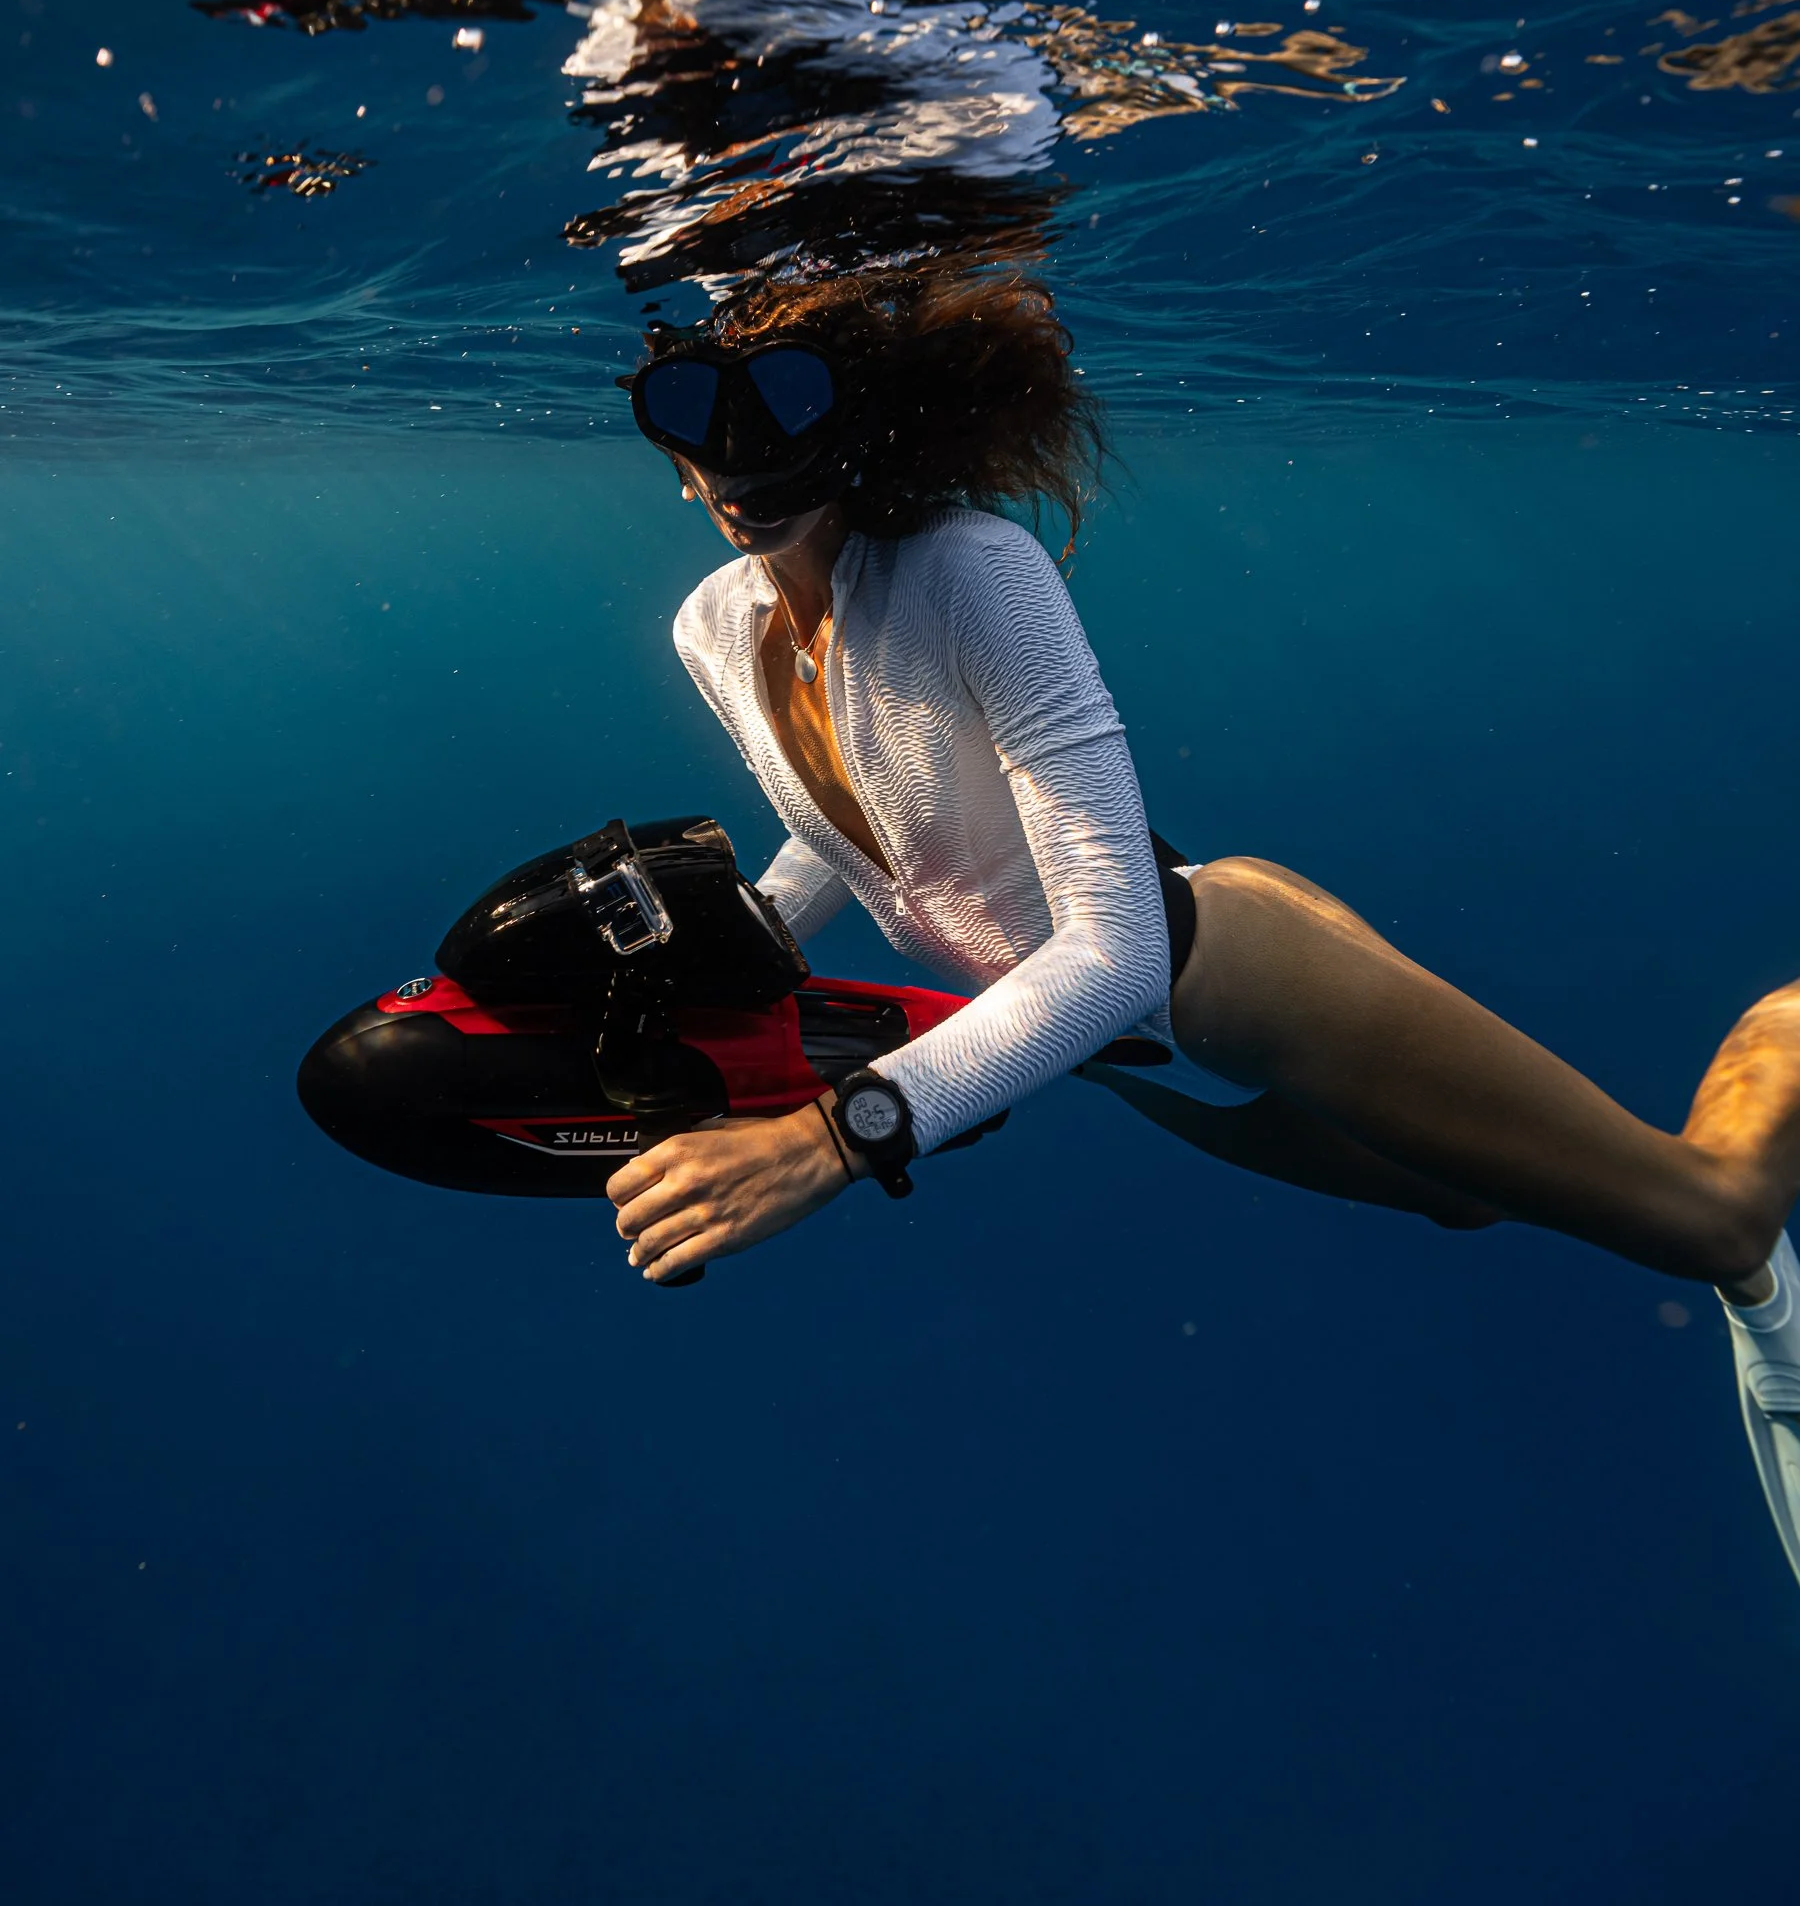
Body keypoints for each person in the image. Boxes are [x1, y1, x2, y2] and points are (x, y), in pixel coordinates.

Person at [605, 272, 1800, 1582]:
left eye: (786, 403)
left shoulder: (971, 573)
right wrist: (735, 950)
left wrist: (838, 1139)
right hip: (1122, 1058)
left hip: (1227, 973)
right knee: (1461, 1204)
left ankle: (1778, 1063)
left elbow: (1111, 949)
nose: (739, 457)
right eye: (689, 410)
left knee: (1713, 1220)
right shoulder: (715, 626)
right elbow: (865, 828)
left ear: (860, 422)